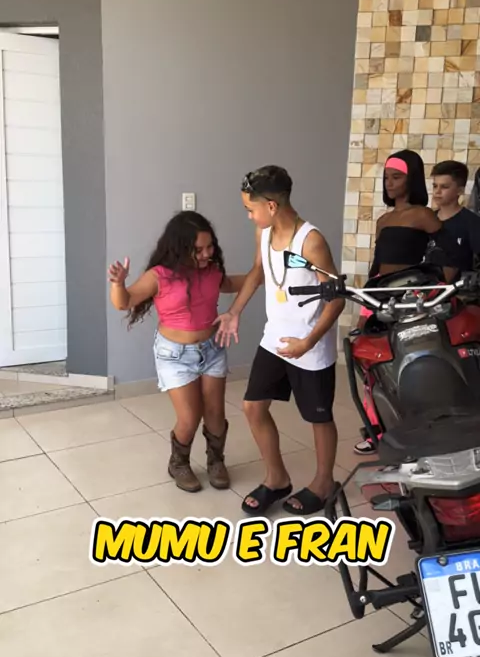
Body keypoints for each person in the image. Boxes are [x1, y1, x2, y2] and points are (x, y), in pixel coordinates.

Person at [214, 165, 345, 516]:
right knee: (253, 406)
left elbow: (336, 299)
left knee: (318, 417)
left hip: (310, 344)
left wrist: (309, 342)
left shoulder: (311, 241)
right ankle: (276, 479)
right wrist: (234, 311)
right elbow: (258, 271)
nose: (248, 216)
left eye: (250, 209)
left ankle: (324, 482)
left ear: (271, 205)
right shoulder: (264, 231)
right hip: (274, 338)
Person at [108, 211, 244, 493]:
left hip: (213, 349)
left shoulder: (212, 271)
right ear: (180, 248)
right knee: (189, 418)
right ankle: (178, 463)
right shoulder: (160, 275)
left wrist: (265, 275)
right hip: (175, 355)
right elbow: (124, 302)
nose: (206, 254)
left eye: (210, 247)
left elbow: (232, 284)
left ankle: (216, 461)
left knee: (216, 414)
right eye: (199, 249)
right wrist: (118, 284)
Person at [354, 149, 463, 455]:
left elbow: (451, 255)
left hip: (409, 298)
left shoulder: (423, 215)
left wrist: (438, 288)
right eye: (386, 177)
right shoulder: (383, 220)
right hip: (379, 296)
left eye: (396, 177)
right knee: (369, 363)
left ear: (411, 179)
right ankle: (376, 429)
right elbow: (377, 264)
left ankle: (419, 423)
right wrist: (366, 300)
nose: (389, 183)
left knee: (406, 359)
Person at [428, 160, 480, 274]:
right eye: (435, 186)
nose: (437, 192)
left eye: (444, 187)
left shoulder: (473, 223)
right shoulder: (427, 219)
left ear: (460, 190)